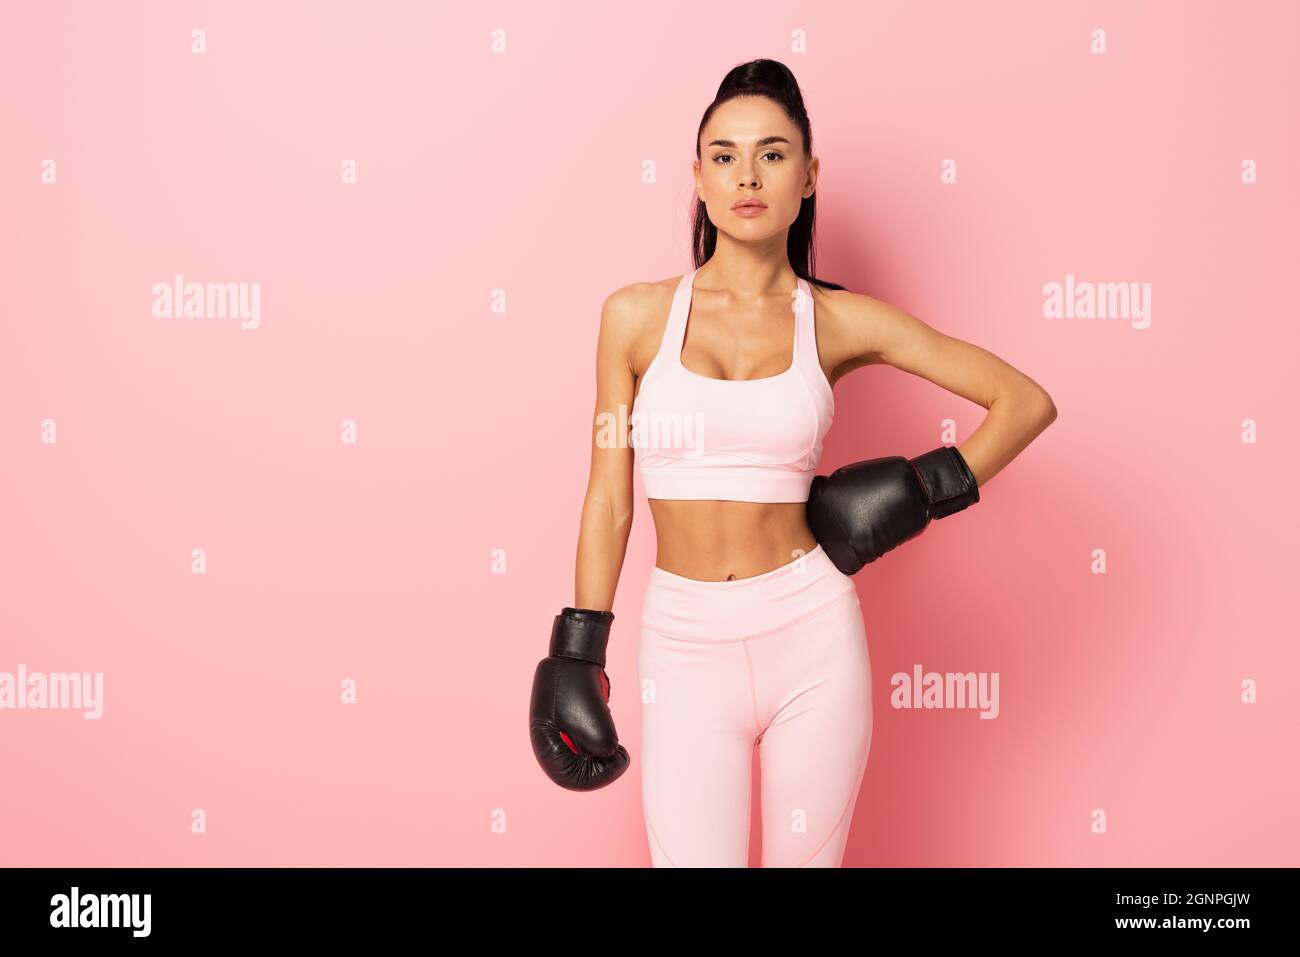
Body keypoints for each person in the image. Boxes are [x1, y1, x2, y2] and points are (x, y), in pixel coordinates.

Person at [530, 59, 1057, 867]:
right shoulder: (634, 318)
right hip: (682, 640)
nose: (748, 174)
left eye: (773, 154)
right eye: (726, 154)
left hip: (811, 633)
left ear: (809, 176)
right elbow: (609, 497)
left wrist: (919, 492)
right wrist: (579, 646)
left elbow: (1023, 401)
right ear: (698, 177)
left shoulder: (839, 320)